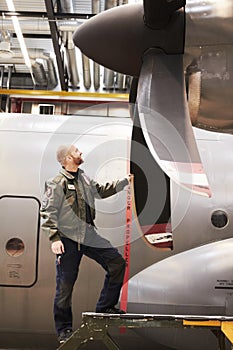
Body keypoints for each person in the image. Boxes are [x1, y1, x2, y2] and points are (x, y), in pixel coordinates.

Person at [40, 144, 132, 344]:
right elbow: (47, 212)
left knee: (117, 263)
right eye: (76, 151)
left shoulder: (85, 179)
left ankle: (105, 307)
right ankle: (64, 330)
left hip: (88, 235)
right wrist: (54, 238)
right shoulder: (56, 183)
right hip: (68, 239)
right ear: (67, 158)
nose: (80, 153)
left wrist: (125, 182)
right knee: (65, 286)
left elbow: (101, 191)